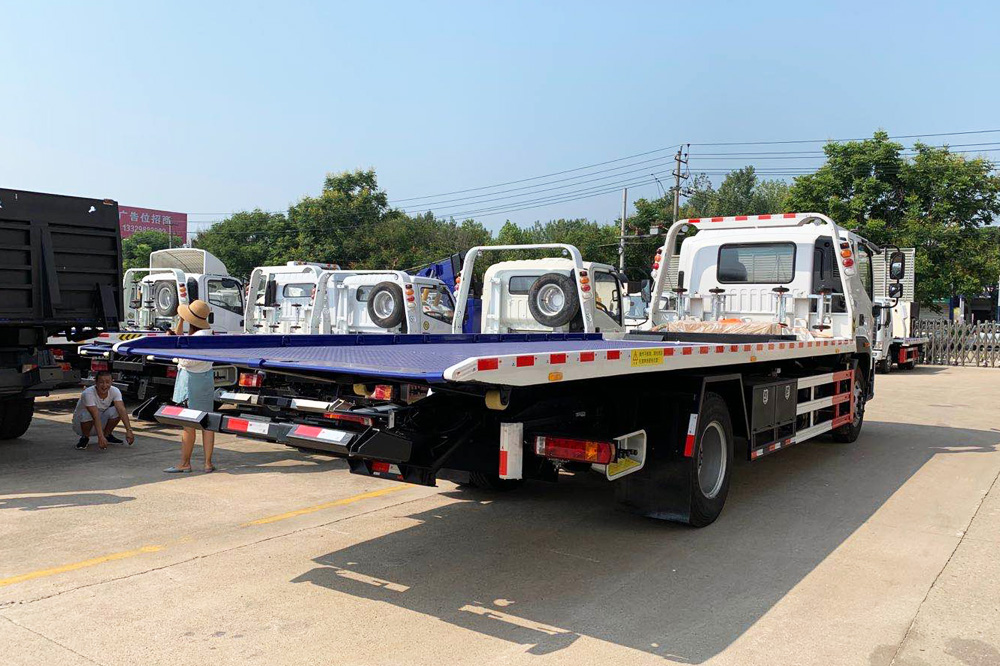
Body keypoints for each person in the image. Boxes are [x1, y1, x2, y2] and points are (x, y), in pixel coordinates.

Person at [163, 299, 217, 474]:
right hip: (205, 380)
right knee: (207, 423)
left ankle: (185, 463)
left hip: (191, 382)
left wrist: (174, 350)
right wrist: (181, 321)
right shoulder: (207, 334)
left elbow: (186, 361)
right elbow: (181, 340)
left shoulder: (197, 339)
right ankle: (208, 463)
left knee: (188, 425)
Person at [73, 371, 135, 450]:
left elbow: (121, 409)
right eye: (101, 382)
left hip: (99, 422)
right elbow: (95, 415)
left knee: (116, 410)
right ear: (96, 382)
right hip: (81, 425)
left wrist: (129, 430)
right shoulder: (88, 393)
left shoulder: (115, 391)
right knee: (87, 413)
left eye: (107, 382)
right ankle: (85, 437)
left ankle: (107, 435)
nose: (104, 385)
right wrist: (100, 437)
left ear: (112, 382)